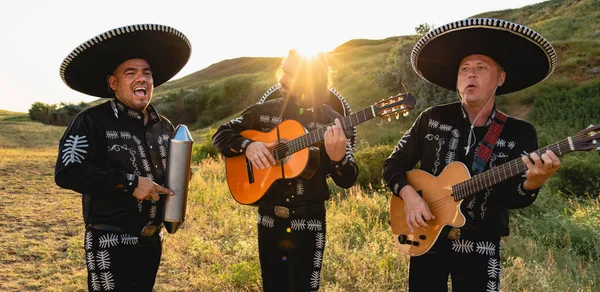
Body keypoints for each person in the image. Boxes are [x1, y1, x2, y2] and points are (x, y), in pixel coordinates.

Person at [383, 18, 561, 291]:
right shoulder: (431, 118)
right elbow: (393, 165)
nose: (471, 75)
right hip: (427, 238)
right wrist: (409, 197)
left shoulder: (520, 133)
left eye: (481, 68)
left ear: (500, 78)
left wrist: (532, 184)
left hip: (482, 245)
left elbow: (513, 198)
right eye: (464, 69)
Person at [54, 24, 191, 291]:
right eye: (131, 73)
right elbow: (67, 172)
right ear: (113, 83)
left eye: (147, 73)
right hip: (109, 242)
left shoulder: (165, 127)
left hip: (151, 242)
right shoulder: (91, 121)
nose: (141, 79)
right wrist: (130, 183)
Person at [212, 49, 359, 291]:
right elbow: (221, 134)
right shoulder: (264, 112)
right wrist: (248, 146)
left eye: (290, 73)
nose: (282, 78)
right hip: (269, 221)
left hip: (310, 224)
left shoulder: (334, 122)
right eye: (283, 71)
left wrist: (338, 159)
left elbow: (348, 178)